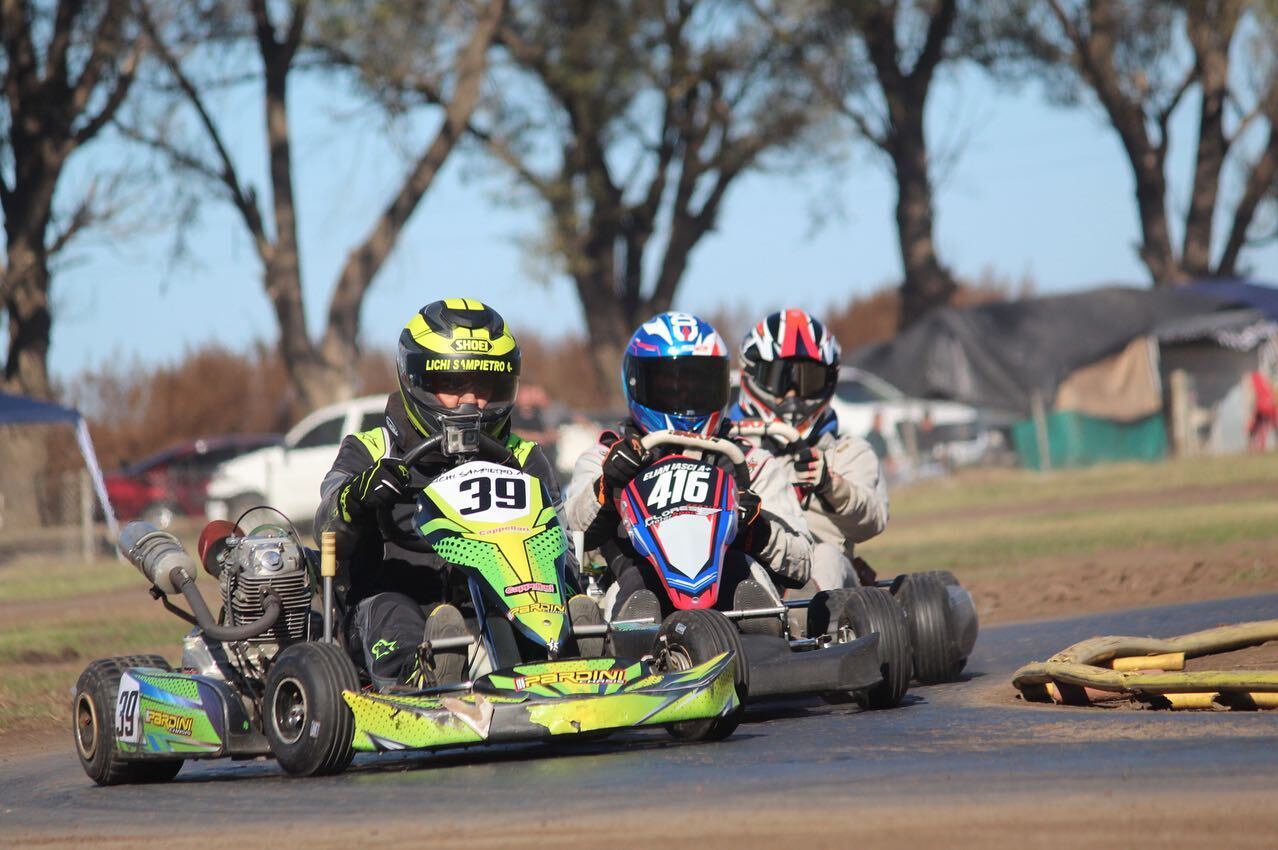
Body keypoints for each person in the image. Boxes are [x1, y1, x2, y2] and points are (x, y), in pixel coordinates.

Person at [315, 298, 570, 689]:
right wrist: (357, 496)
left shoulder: (522, 455)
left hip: (499, 601)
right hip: (394, 599)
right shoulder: (371, 449)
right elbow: (325, 529)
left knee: (562, 592)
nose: (471, 402)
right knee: (392, 610)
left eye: (485, 385)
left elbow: (561, 542)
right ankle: (419, 675)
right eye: (453, 385)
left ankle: (569, 651)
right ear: (418, 381)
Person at [564, 311, 813, 622]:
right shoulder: (606, 457)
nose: (684, 399)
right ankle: (627, 652)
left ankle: (767, 649)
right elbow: (570, 537)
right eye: (670, 386)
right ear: (636, 383)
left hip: (733, 589)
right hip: (637, 589)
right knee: (629, 594)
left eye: (698, 385)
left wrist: (758, 531)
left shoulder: (750, 462)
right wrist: (604, 488)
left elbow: (803, 561)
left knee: (752, 581)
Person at [731, 309, 888, 591]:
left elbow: (870, 523)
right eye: (780, 378)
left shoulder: (847, 452)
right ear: (752, 375)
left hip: (823, 585)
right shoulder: (726, 451)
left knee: (825, 555)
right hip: (744, 572)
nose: (792, 394)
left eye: (806, 380)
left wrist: (831, 485)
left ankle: (804, 624)